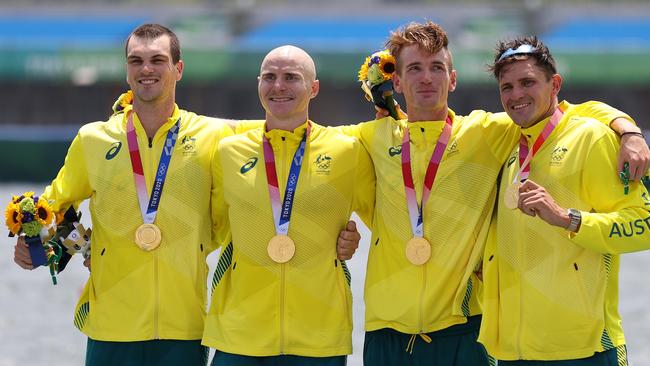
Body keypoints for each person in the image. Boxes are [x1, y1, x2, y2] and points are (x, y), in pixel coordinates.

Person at [11, 24, 359, 365]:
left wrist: (336, 228)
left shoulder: (216, 136)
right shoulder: (92, 140)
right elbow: (52, 205)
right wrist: (40, 246)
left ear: (178, 69)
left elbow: (293, 130)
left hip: (186, 326)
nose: (146, 69)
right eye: (136, 61)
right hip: (110, 324)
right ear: (127, 71)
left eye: (157, 60)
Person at [338, 21, 649, 365]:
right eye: (414, 68)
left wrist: (627, 129)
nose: (427, 78)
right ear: (396, 80)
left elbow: (560, 112)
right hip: (387, 329)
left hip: (466, 328)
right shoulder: (368, 138)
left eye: (437, 68)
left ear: (452, 79)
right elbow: (307, 145)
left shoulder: (486, 132)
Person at [478, 36, 650, 365]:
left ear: (555, 83)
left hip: (584, 349)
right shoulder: (509, 146)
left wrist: (567, 218)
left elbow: (643, 225)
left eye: (527, 82)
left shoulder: (592, 137)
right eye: (507, 87)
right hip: (514, 349)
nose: (516, 96)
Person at [201, 45, 375, 366]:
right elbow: (208, 229)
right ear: (258, 84)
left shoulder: (347, 151)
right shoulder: (228, 152)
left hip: (319, 336)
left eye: (291, 77)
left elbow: (384, 218)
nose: (278, 86)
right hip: (240, 333)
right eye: (269, 77)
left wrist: (351, 237)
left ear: (314, 88)